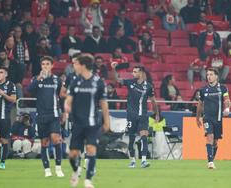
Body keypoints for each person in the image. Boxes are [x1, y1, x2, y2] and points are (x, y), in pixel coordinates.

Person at [64, 54, 110, 188]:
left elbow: (103, 103)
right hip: (77, 123)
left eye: (76, 64)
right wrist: (67, 105)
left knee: (91, 149)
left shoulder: (98, 82)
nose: (74, 66)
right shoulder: (75, 82)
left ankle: (88, 180)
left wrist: (107, 121)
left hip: (92, 123)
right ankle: (76, 169)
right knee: (73, 154)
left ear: (83, 65)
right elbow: (68, 99)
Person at [111, 63, 159, 168]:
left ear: (141, 73)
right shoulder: (130, 82)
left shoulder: (149, 86)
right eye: (133, 71)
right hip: (131, 116)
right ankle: (132, 160)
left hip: (143, 115)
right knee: (131, 138)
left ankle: (144, 161)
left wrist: (156, 114)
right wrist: (114, 69)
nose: (133, 73)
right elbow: (117, 79)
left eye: (135, 72)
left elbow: (153, 101)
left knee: (144, 137)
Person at [27, 56, 64, 177]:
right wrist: (38, 78)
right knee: (44, 142)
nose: (45, 66)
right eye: (43, 64)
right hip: (41, 116)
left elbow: (61, 96)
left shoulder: (57, 80)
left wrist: (64, 112)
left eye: (47, 64)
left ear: (52, 66)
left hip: (54, 115)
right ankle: (47, 169)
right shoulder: (36, 79)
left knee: (55, 139)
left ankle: (58, 168)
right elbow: (29, 90)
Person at [196, 68, 231, 169]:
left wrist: (227, 108)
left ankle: (211, 159)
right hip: (207, 118)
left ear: (216, 76)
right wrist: (197, 117)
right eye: (207, 75)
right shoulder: (203, 90)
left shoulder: (223, 88)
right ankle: (210, 162)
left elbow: (227, 100)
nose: (209, 77)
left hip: (218, 119)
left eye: (211, 74)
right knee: (209, 136)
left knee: (215, 142)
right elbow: (200, 104)